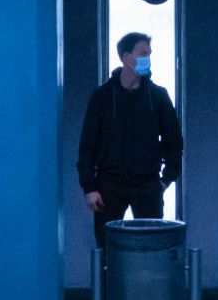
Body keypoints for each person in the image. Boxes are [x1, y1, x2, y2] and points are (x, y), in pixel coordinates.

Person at [77, 31, 184, 248]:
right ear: (127, 58)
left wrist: (167, 179)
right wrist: (89, 187)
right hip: (109, 184)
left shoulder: (158, 96)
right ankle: (108, 283)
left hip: (147, 183)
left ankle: (150, 284)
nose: (148, 59)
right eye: (143, 53)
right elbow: (88, 143)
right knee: (107, 247)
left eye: (149, 54)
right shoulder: (103, 97)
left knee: (153, 248)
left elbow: (174, 140)